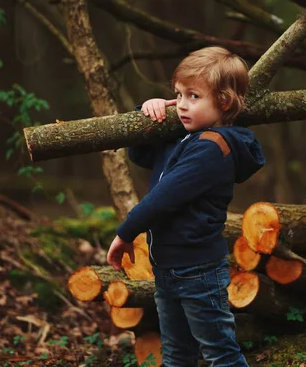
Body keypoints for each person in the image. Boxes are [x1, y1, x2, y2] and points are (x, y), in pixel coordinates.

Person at [107, 46, 265, 367]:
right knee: (178, 355)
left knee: (220, 353)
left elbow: (165, 197)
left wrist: (125, 233)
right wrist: (147, 110)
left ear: (223, 102)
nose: (181, 105)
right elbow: (141, 156)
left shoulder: (211, 149)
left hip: (198, 272)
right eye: (177, 95)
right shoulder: (186, 136)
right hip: (168, 269)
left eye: (193, 96)